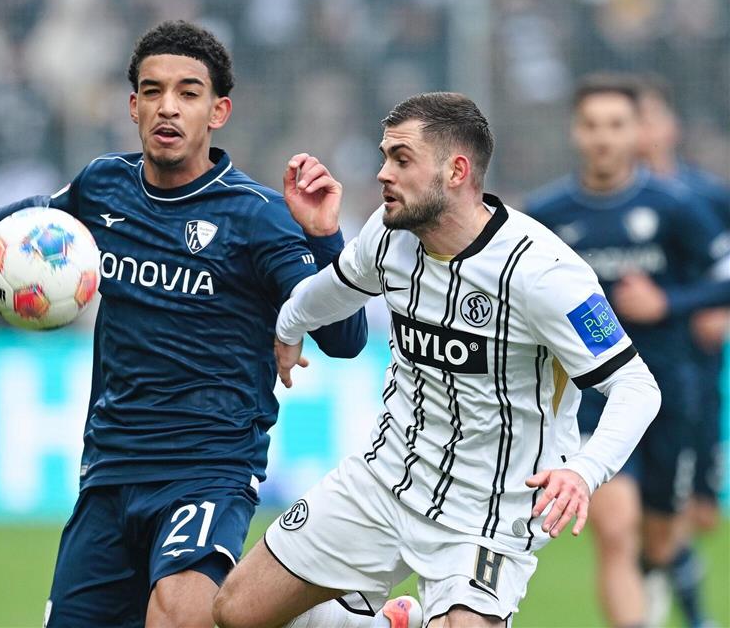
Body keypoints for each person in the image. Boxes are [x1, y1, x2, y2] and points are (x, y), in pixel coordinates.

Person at [0, 20, 367, 628]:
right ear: (132, 106)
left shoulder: (258, 217)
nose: (168, 106)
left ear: (219, 111)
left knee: (178, 616)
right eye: (152, 90)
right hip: (111, 467)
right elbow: (31, 220)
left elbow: (346, 340)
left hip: (208, 464)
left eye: (189, 93)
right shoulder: (103, 185)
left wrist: (325, 236)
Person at [212, 92, 661, 628]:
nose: (382, 174)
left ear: (456, 171)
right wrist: (288, 326)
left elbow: (637, 387)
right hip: (385, 481)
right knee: (237, 613)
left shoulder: (544, 274)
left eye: (401, 160)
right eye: (384, 157)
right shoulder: (388, 234)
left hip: (487, 515)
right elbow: (337, 287)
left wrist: (585, 472)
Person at [526, 74, 730, 628]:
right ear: (575, 131)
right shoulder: (546, 214)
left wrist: (666, 302)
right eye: (592, 126)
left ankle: (657, 572)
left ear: (637, 131)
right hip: (594, 397)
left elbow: (723, 277)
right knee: (614, 530)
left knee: (660, 536)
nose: (603, 139)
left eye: (616, 126)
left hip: (671, 392)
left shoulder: (675, 206)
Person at [630, 75, 730, 628]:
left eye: (647, 117)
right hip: (627, 371)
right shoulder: (602, 202)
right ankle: (673, 611)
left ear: (671, 126)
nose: (639, 131)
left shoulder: (707, 196)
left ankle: (677, 601)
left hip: (693, 370)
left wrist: (706, 308)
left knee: (689, 513)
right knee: (627, 511)